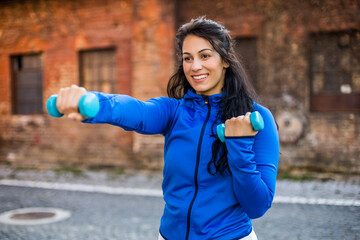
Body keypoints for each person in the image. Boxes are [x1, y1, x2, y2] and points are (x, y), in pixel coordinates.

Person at [55, 17, 279, 240]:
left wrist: (239, 145)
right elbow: (137, 111)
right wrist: (91, 103)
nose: (195, 66)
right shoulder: (174, 112)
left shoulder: (256, 119)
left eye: (205, 56)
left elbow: (257, 206)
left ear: (225, 60)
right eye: (187, 58)